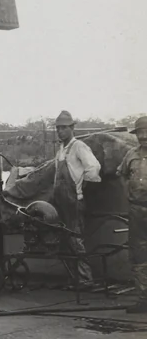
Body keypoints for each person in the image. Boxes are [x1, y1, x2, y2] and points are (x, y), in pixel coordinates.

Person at [54, 110, 101, 287]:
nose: (60, 131)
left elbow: (93, 168)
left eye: (64, 128)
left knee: (76, 239)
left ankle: (86, 279)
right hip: (62, 202)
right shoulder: (61, 149)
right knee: (66, 241)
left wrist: (82, 189)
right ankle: (75, 279)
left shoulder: (79, 147)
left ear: (72, 128)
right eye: (58, 128)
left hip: (74, 202)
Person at [117, 115, 147, 312]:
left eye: (146, 132)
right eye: (140, 133)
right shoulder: (131, 155)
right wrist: (127, 192)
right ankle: (144, 299)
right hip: (137, 209)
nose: (143, 137)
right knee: (138, 254)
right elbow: (121, 174)